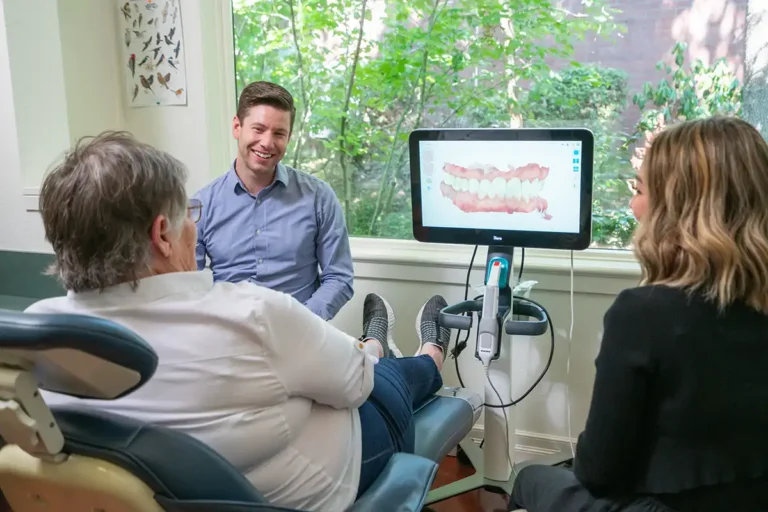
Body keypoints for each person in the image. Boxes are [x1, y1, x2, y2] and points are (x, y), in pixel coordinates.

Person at [26, 131, 453, 512]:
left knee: (341, 367)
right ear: (162, 234)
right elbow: (355, 387)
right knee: (384, 377)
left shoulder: (37, 334)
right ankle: (428, 353)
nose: (193, 224)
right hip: (326, 480)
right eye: (187, 213)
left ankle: (374, 344)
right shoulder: (252, 314)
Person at [510, 116, 768, 512]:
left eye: (640, 189)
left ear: (677, 205)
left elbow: (597, 474)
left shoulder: (644, 313)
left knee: (528, 478)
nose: (633, 205)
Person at [192, 81, 354, 323]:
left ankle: (377, 341)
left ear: (289, 137)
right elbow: (187, 284)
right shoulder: (201, 205)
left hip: (300, 333)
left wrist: (301, 324)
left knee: (367, 361)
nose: (267, 143)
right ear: (237, 127)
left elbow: (339, 278)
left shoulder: (319, 197)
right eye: (258, 129)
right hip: (229, 336)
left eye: (279, 133)